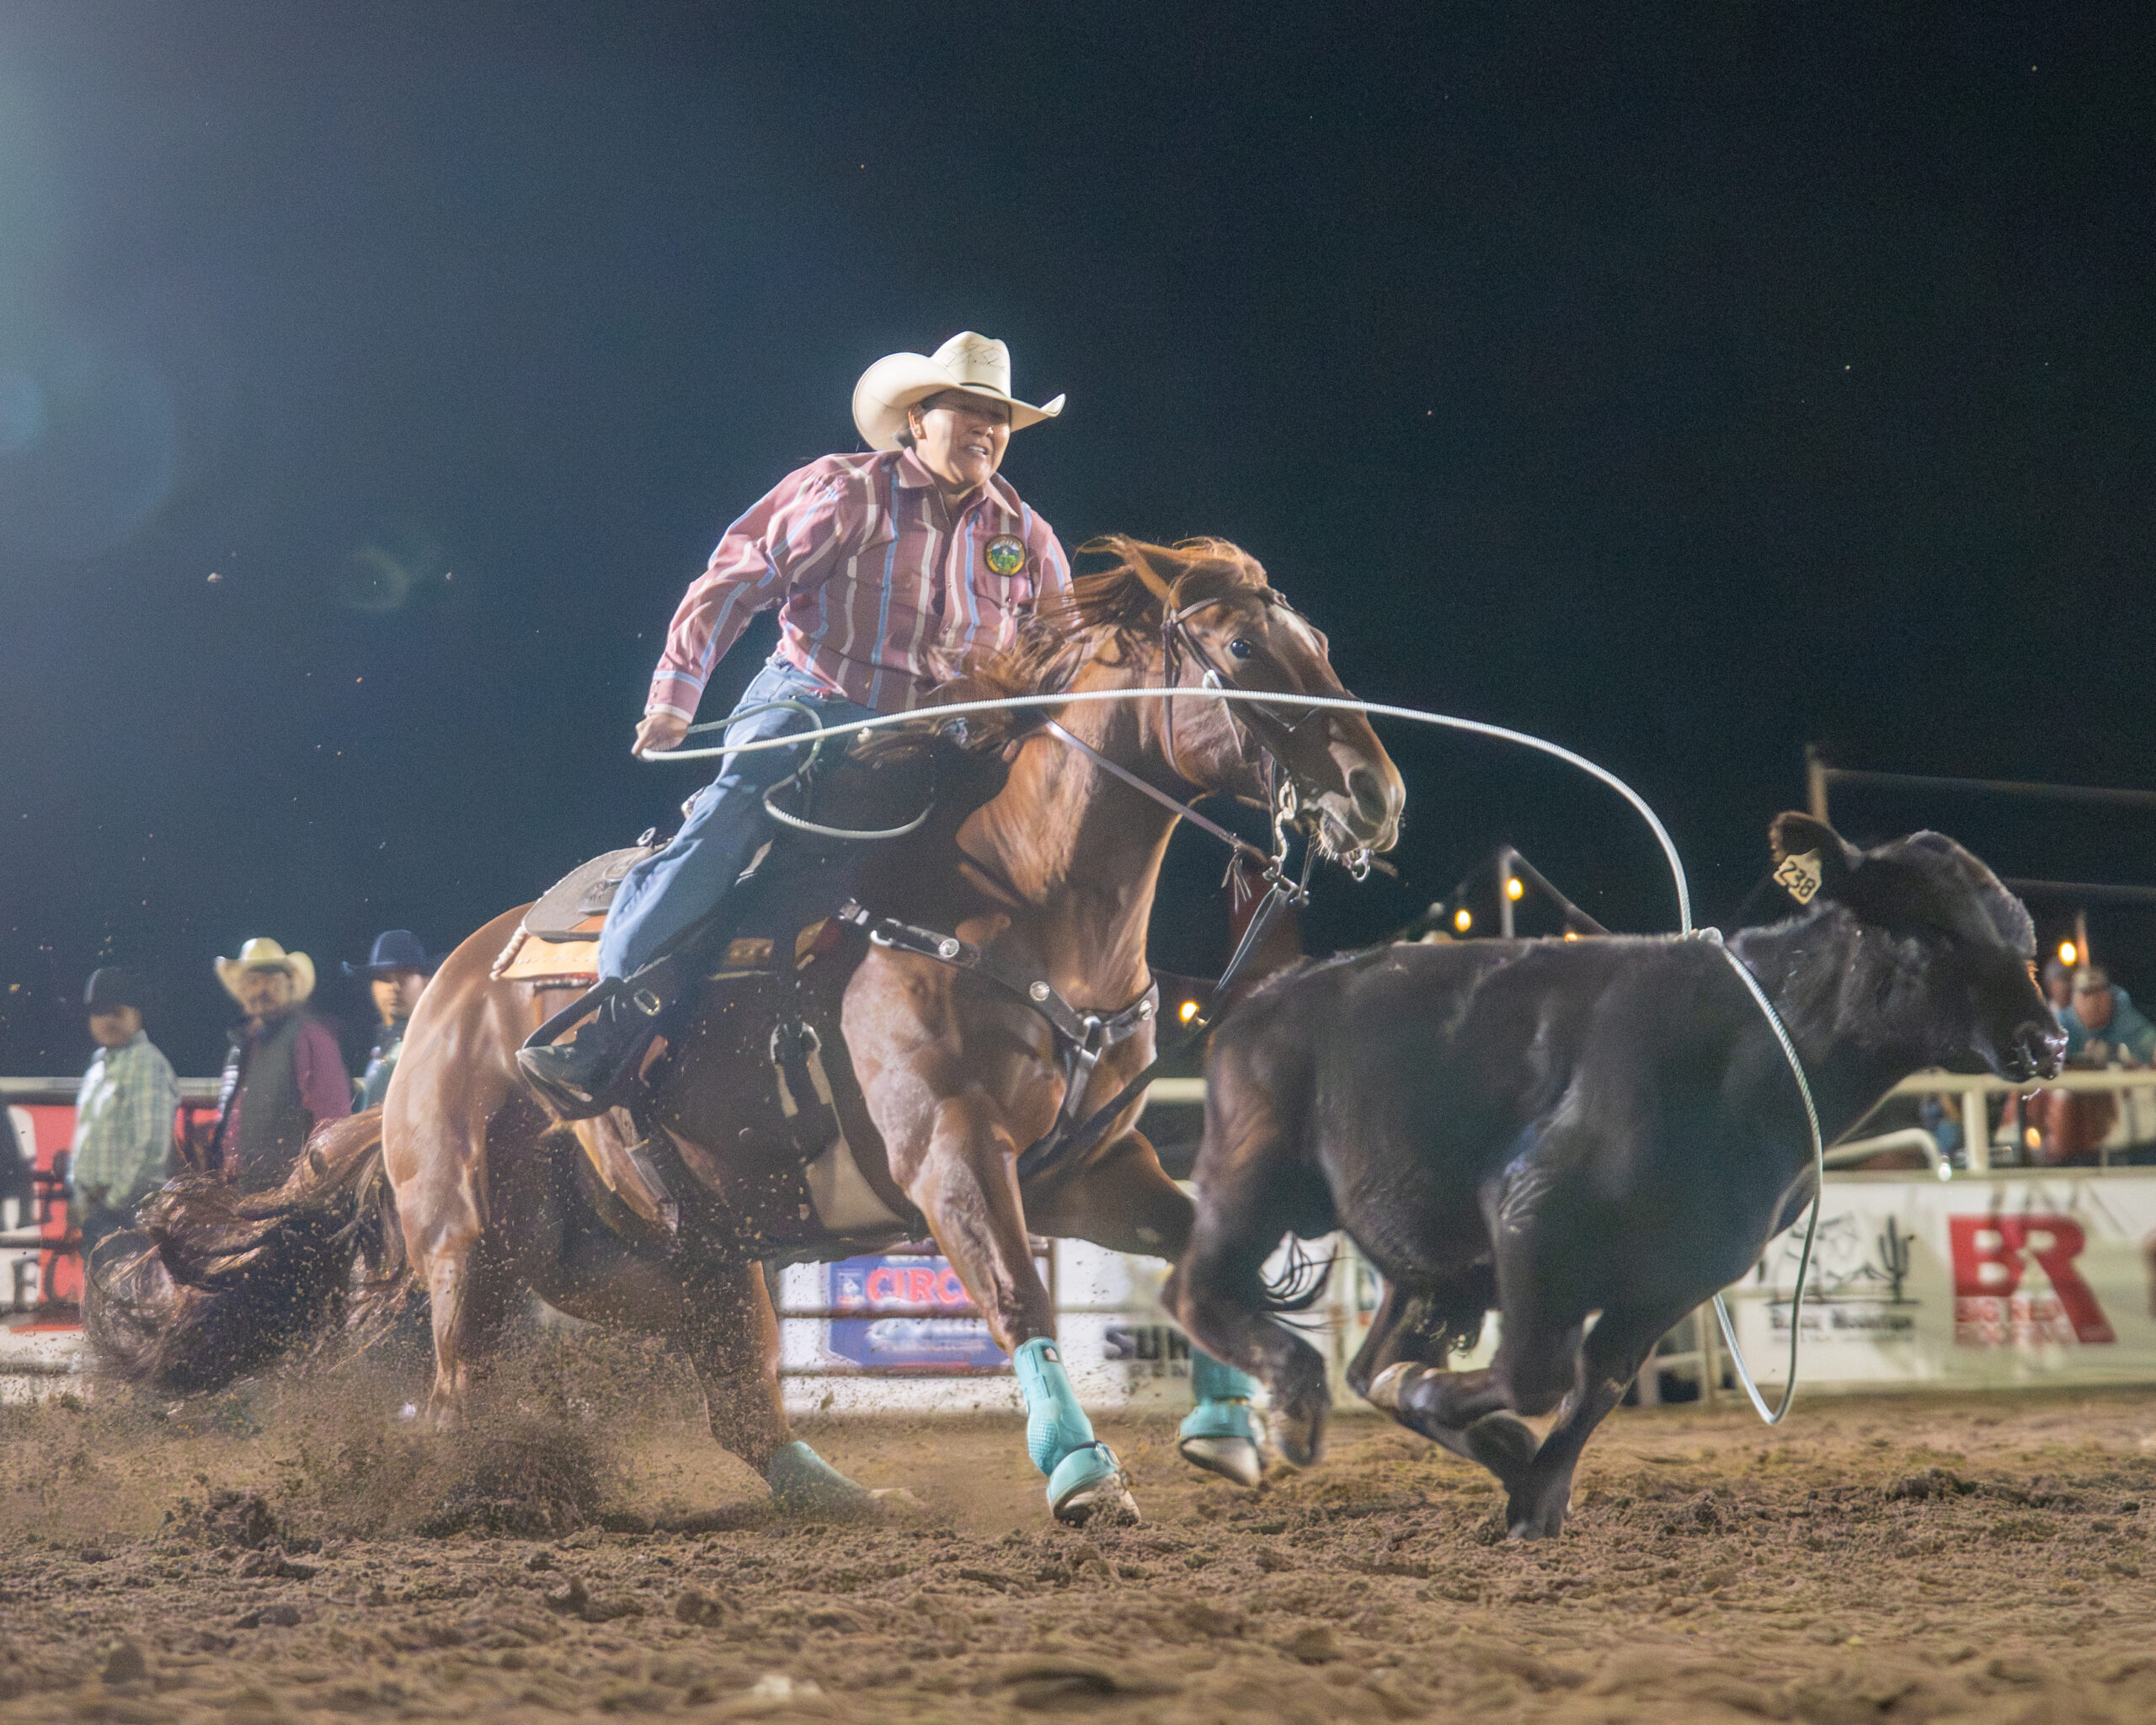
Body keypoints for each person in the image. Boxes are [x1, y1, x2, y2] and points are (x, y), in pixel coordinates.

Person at [519, 331, 1073, 1117]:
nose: (987, 429)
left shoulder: (1027, 537)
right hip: (815, 702)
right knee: (734, 811)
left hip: (943, 735)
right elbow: (735, 582)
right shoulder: (848, 493)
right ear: (917, 420)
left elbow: (1059, 652)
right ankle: (611, 1019)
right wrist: (676, 697)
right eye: (969, 411)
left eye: (1000, 418)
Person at [209, 938, 351, 1194]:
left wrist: (310, 1188)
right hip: (247, 1196)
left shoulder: (313, 1038)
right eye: (252, 981)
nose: (260, 990)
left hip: (293, 1198)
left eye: (271, 980)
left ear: (290, 984)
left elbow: (333, 1125)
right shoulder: (246, 1047)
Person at [67, 968, 179, 1267]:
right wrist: (82, 1200)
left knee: (131, 1301)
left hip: (130, 1216)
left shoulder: (147, 1064)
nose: (108, 1020)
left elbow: (149, 1150)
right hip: (101, 1215)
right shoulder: (97, 1068)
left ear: (136, 1013)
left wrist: (109, 1203)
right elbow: (83, 1141)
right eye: (100, 1012)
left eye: (117, 1011)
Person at [343, 930, 435, 1108]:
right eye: (384, 978)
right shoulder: (382, 1045)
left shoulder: (438, 1043)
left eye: (405, 976)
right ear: (372, 987)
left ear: (425, 982)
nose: (395, 987)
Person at [2061, 964, 2156, 1065]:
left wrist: (2116, 1052)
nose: (2093, 1003)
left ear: (2110, 995)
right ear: (2074, 998)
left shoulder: (2127, 1022)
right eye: (2086, 995)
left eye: (2099, 994)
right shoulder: (2062, 1025)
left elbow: (2151, 1046)